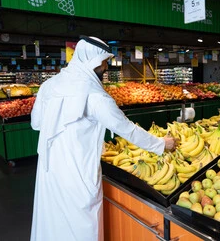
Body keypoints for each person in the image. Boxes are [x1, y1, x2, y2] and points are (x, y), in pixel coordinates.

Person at [30, 36, 176, 241]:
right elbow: (127, 129)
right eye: (105, 61)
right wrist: (161, 144)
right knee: (81, 226)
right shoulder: (93, 94)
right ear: (94, 61)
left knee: (54, 223)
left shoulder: (49, 85)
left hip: (50, 170)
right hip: (78, 173)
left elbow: (36, 123)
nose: (106, 67)